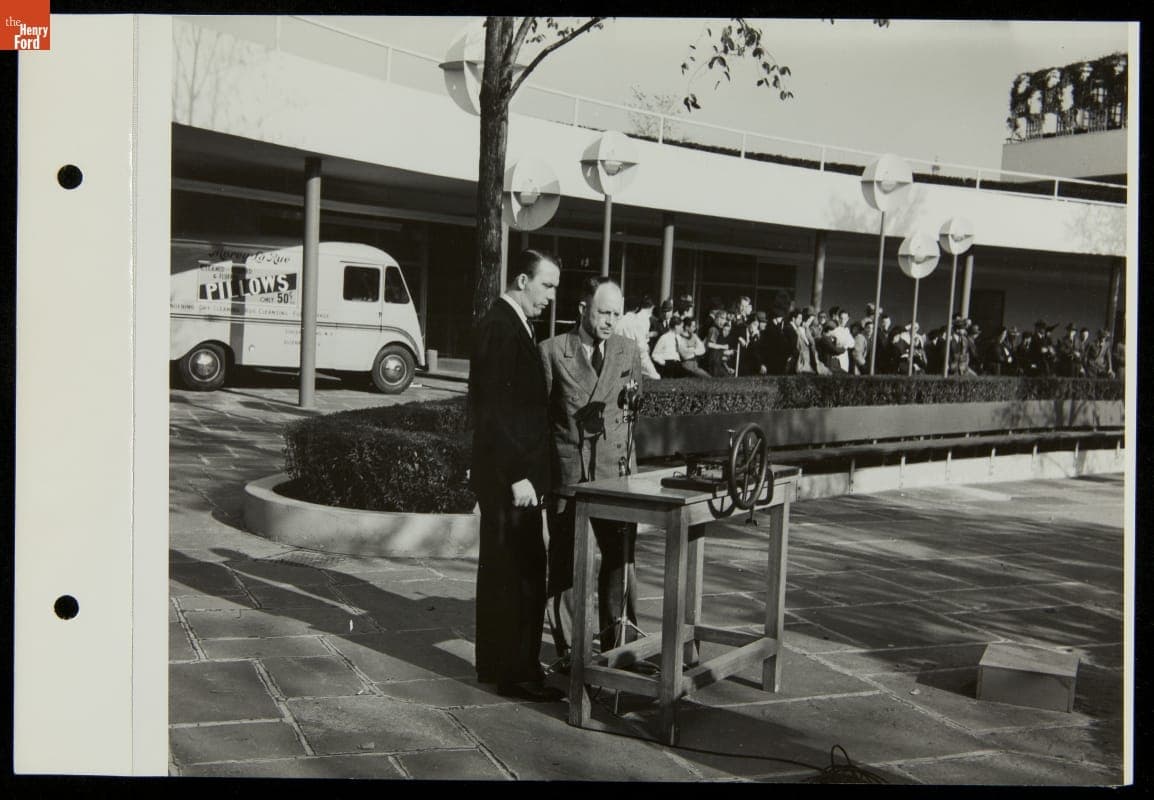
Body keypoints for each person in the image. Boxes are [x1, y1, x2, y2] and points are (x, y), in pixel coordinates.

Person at [468, 249, 564, 702]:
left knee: (505, 572)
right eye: (547, 286)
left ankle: (499, 666)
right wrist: (517, 477)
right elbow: (492, 414)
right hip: (513, 481)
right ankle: (517, 672)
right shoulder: (501, 327)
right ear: (522, 280)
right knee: (521, 573)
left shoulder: (508, 324)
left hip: (511, 477)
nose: (551, 296)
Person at [540, 278, 645, 666]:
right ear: (583, 308)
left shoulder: (627, 350)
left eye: (616, 314)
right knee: (567, 568)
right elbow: (542, 419)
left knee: (621, 563)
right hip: (572, 476)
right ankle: (571, 653)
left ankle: (621, 648)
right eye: (603, 313)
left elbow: (634, 409)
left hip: (616, 475)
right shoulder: (552, 352)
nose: (610, 321)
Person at [614, 294, 660, 379]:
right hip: (636, 355)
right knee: (655, 377)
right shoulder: (636, 322)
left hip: (620, 356)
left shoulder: (619, 322)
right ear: (637, 308)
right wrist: (646, 349)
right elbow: (641, 345)